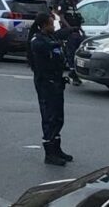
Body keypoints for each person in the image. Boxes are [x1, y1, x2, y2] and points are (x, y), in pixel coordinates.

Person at [27, 13, 72, 167]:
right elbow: (46, 49)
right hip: (46, 83)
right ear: (43, 25)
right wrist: (60, 43)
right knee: (49, 117)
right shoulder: (37, 41)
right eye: (51, 24)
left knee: (59, 116)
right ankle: (49, 153)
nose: (53, 27)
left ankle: (57, 149)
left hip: (57, 82)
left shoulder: (51, 38)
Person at [57, 0, 84, 87]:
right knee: (71, 50)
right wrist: (69, 28)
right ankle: (73, 71)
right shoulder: (63, 3)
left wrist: (80, 29)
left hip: (76, 31)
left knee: (80, 48)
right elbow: (61, 17)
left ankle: (76, 70)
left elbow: (78, 18)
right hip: (68, 32)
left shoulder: (73, 5)